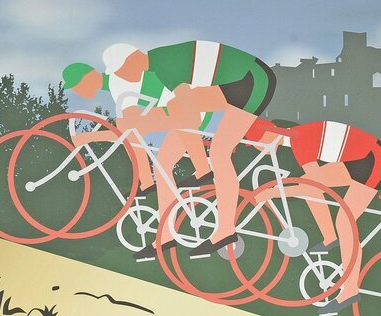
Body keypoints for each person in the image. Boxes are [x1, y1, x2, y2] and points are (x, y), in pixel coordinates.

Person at [64, 40, 275, 261]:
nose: (122, 76)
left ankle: (225, 231)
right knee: (163, 165)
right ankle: (165, 236)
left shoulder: (165, 67)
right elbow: (176, 114)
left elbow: (190, 118)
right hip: (230, 84)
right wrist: (141, 123)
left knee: (219, 153)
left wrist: (141, 123)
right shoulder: (156, 66)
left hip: (254, 80)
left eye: (121, 70)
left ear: (133, 58)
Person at [244, 118, 381, 313]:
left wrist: (273, 193)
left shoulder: (299, 141)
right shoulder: (296, 138)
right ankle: (330, 238)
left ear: (268, 134)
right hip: (356, 159)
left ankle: (350, 290)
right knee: (306, 183)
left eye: (256, 143)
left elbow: (315, 185)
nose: (258, 148)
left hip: (374, 159)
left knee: (344, 221)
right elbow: (312, 184)